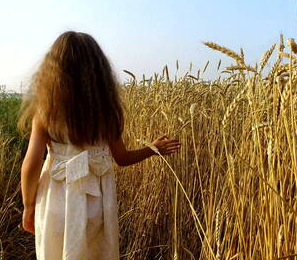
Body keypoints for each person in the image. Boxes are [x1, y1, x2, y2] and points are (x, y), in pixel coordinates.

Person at [19, 31, 181, 259]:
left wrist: (28, 205)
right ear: (98, 73)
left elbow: (31, 163)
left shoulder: (46, 113)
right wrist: (152, 149)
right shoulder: (108, 114)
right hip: (96, 205)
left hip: (56, 201)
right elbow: (122, 159)